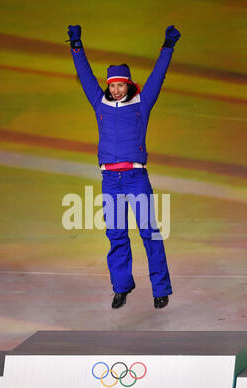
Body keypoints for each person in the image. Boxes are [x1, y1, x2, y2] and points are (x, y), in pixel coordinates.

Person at [67, 24, 181, 309]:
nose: (116, 90)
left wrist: (167, 46)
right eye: (112, 85)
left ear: (129, 84)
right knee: (116, 234)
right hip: (110, 180)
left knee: (149, 231)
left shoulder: (142, 103)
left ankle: (160, 289)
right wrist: (76, 45)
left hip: (135, 177)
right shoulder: (100, 103)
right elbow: (85, 76)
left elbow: (158, 76)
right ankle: (121, 286)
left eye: (121, 85)